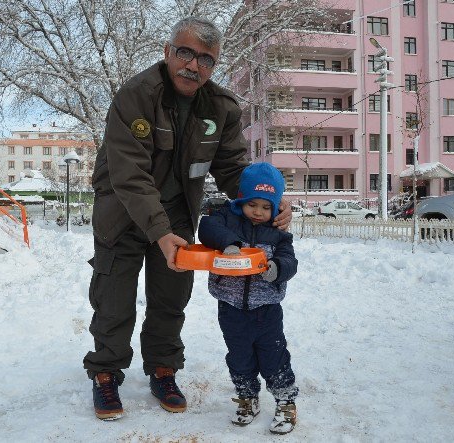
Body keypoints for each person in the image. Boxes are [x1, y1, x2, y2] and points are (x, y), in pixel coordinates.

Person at [84, 17, 292, 421]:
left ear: (213, 66)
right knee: (114, 298)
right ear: (167, 51)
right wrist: (159, 232)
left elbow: (233, 168)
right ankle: (106, 371)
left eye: (205, 59)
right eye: (185, 52)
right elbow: (130, 176)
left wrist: (269, 200)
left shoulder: (220, 108)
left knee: (171, 295)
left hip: (178, 214)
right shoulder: (136, 96)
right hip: (122, 212)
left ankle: (163, 368)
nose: (193, 65)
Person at [198, 162, 299, 435]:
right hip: (230, 307)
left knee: (274, 356)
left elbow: (290, 261)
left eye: (266, 207)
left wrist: (277, 269)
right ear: (241, 199)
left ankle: (285, 400)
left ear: (275, 207)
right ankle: (247, 397)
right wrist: (230, 243)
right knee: (239, 357)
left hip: (267, 309)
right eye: (252, 204)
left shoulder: (278, 233)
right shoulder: (225, 219)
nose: (258, 212)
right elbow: (206, 229)